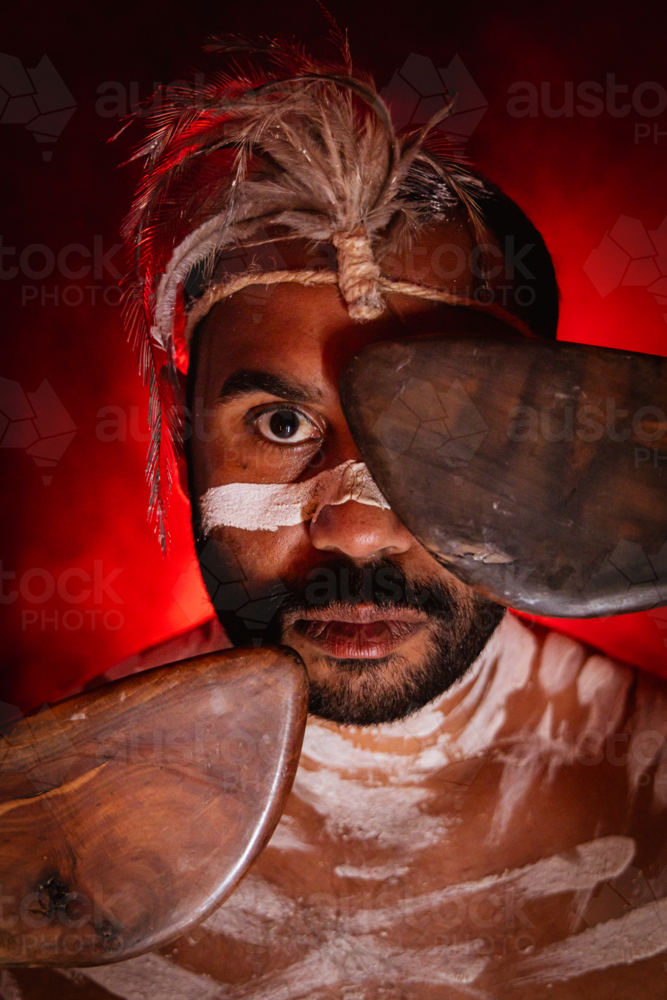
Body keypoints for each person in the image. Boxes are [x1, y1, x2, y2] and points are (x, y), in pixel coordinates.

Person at [5, 35, 667, 1000]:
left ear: (549, 447)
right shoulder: (36, 823)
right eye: (280, 425)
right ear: (182, 436)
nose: (356, 529)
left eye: (444, 428)